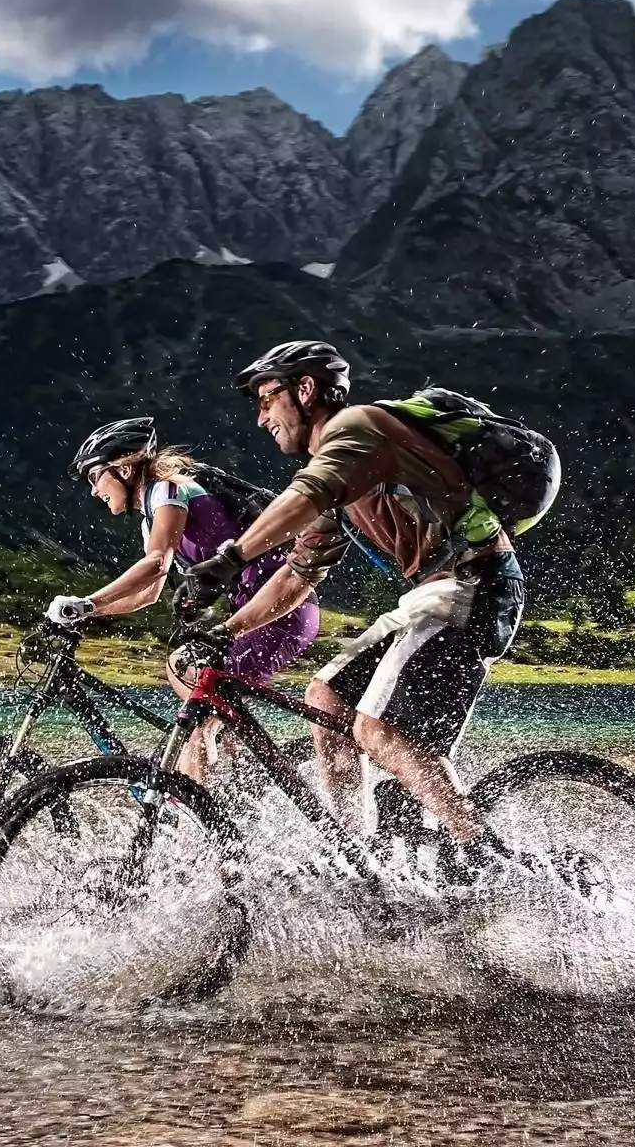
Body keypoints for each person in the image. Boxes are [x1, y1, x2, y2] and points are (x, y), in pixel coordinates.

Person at [173, 340, 527, 876]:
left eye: (267, 400)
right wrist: (228, 629)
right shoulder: (340, 477)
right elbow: (297, 574)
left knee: (376, 729)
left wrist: (229, 558)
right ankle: (358, 855)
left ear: (305, 389)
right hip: (434, 595)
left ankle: (491, 856)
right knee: (327, 699)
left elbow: (306, 495)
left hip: (474, 585)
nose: (261, 417)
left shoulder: (357, 427)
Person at [45, 417, 320, 782]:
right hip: (262, 615)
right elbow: (148, 593)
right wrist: (85, 612)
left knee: (187, 685)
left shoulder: (169, 489)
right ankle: (232, 774)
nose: (94, 491)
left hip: (280, 610)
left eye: (95, 477)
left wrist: (87, 602)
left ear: (124, 469)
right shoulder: (152, 516)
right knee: (202, 698)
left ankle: (196, 803)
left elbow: (156, 564)